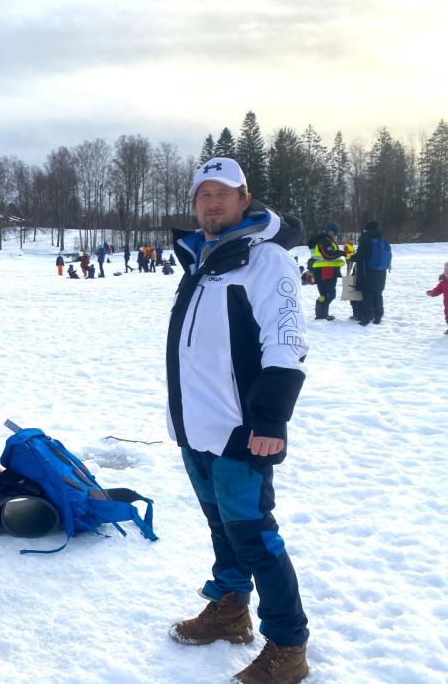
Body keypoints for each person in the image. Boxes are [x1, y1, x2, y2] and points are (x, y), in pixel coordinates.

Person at [166, 158, 310, 684]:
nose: (212, 202)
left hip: (239, 432)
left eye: (223, 193)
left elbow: (287, 343)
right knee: (222, 530)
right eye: (203, 194)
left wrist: (270, 420)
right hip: (195, 430)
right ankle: (230, 610)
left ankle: (288, 645)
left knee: (255, 538)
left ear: (244, 198)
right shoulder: (203, 259)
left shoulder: (266, 260)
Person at [352, 220, 389, 326]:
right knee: (378, 293)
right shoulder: (382, 238)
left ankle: (367, 316)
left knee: (367, 293)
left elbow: (360, 256)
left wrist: (351, 257)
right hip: (381, 271)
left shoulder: (366, 238)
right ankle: (378, 316)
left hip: (367, 271)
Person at [307, 222, 346, 320]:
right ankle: (321, 315)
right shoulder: (324, 240)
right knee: (329, 294)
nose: (336, 235)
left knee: (325, 294)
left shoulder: (323, 240)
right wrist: (341, 253)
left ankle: (323, 314)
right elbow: (327, 255)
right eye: (335, 233)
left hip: (325, 270)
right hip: (325, 270)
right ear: (331, 231)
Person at [426, 261, 448, 334]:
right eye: (445, 271)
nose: (446, 272)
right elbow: (437, 290)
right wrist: (431, 293)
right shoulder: (443, 283)